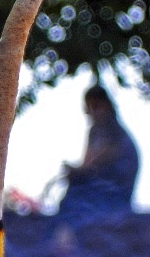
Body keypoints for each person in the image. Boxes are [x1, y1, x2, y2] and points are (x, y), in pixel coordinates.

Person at [58, 84, 139, 223]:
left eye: (95, 106)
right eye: (88, 109)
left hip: (114, 196)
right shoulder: (94, 131)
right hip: (98, 191)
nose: (92, 112)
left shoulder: (115, 132)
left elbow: (95, 163)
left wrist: (79, 171)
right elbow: (86, 164)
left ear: (106, 106)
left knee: (76, 202)